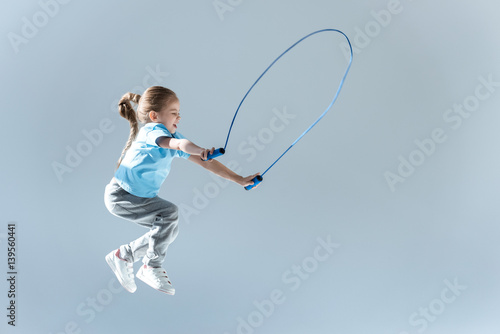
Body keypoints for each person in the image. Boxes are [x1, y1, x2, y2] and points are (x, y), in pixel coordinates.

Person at [104, 86, 259, 295]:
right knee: (169, 214)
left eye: (179, 113)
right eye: (174, 113)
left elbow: (206, 163)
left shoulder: (169, 135)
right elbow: (179, 144)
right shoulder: (152, 131)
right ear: (154, 115)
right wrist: (199, 149)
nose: (179, 117)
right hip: (122, 196)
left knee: (168, 229)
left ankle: (125, 255)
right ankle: (151, 266)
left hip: (137, 197)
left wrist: (239, 179)